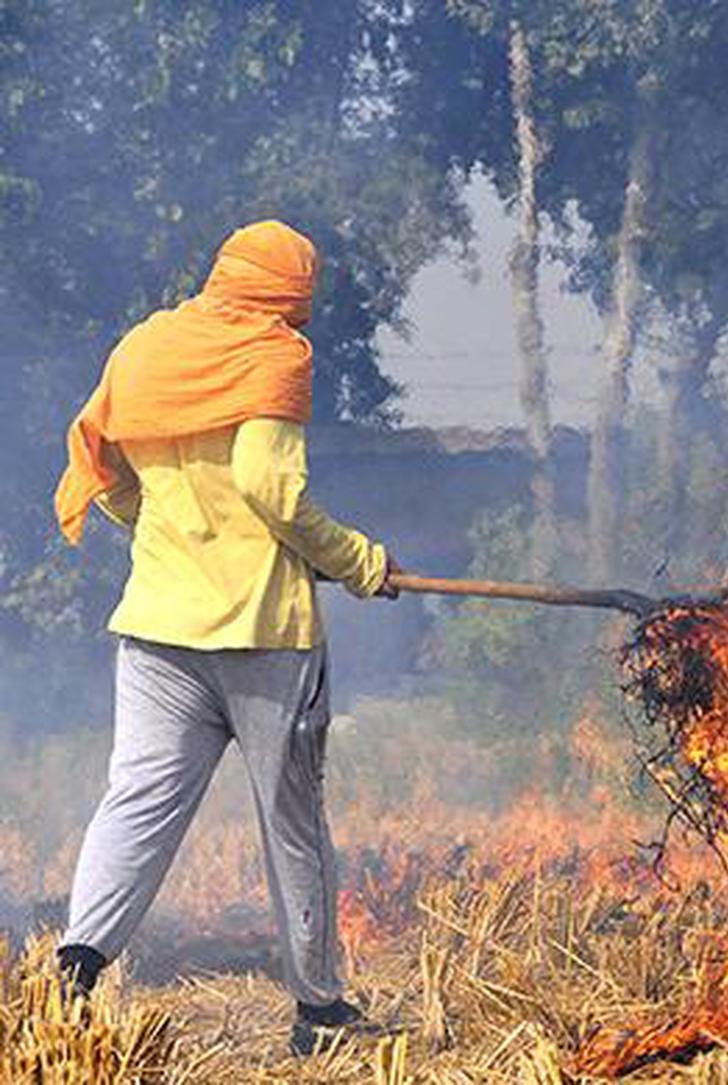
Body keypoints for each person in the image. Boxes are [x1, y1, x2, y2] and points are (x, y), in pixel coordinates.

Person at [52, 219, 400, 1057]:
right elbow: (270, 488)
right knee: (292, 822)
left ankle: (70, 970)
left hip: (156, 626)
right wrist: (359, 560)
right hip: (262, 634)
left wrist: (161, 527)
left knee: (134, 802)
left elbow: (102, 470)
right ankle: (319, 1011)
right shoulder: (275, 354)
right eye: (301, 298)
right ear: (286, 293)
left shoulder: (145, 347)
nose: (302, 319)